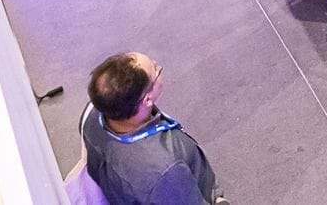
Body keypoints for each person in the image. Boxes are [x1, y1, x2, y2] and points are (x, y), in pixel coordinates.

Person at [82, 52, 224, 205]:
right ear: (147, 99)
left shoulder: (94, 113)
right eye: (156, 69)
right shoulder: (165, 170)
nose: (157, 64)